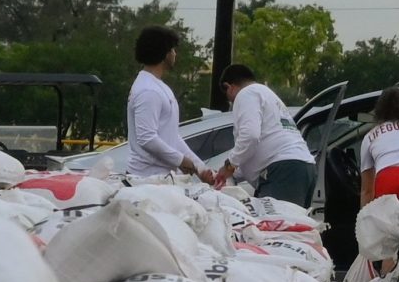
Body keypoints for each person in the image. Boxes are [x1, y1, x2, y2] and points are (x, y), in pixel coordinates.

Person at [210, 62, 315, 202]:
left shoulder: (245, 94)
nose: (232, 104)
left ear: (228, 87)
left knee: (275, 222)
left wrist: (229, 165)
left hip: (282, 171)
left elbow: (250, 136)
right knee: (291, 222)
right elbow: (256, 150)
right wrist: (232, 172)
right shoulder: (267, 95)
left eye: (230, 99)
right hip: (302, 167)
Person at [124, 26, 208, 182]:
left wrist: (201, 168)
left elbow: (171, 137)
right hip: (145, 179)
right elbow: (147, 138)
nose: (175, 54)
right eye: (173, 49)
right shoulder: (148, 90)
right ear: (165, 54)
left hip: (162, 178)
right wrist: (180, 160)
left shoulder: (158, 87)